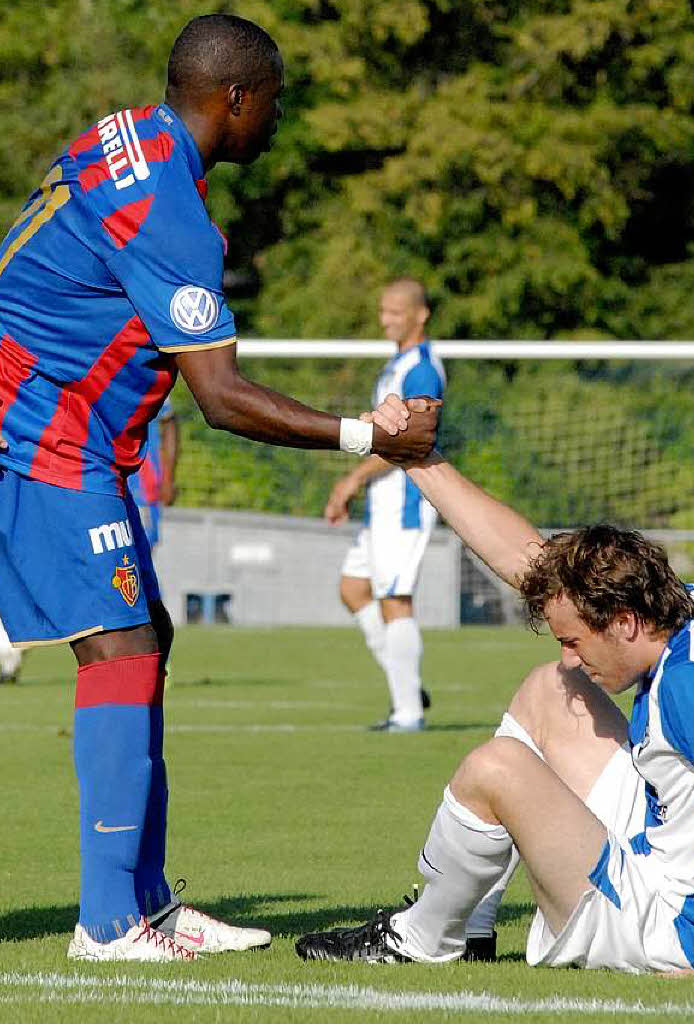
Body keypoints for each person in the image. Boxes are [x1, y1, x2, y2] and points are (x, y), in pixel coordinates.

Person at [0, 15, 438, 963]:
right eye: (273, 100)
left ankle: (145, 902)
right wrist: (374, 434)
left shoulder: (131, 136)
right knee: (118, 647)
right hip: (39, 436)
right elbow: (224, 400)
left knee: (146, 639)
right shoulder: (173, 212)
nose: (279, 118)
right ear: (235, 99)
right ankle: (108, 923)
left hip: (73, 436)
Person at [296, 405, 694, 976]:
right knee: (551, 688)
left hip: (674, 928)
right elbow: (532, 565)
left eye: (575, 640)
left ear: (622, 622)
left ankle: (423, 938)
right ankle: (470, 929)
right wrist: (415, 457)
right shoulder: (692, 609)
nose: (571, 653)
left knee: (495, 768)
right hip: (666, 841)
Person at [324, 278, 446, 731]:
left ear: (421, 314)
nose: (387, 319)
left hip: (406, 501)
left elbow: (410, 441)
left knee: (395, 598)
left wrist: (351, 480)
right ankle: (406, 683)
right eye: (383, 311)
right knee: (353, 589)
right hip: (383, 503)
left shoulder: (421, 369)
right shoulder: (395, 364)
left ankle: (408, 711)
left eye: (396, 311)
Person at [127, 397, 178, 551]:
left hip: (142, 490)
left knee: (141, 555)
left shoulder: (150, 375)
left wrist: (168, 479)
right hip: (102, 482)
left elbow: (169, 422)